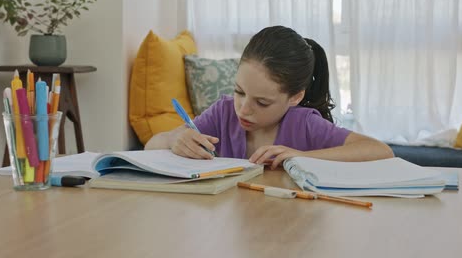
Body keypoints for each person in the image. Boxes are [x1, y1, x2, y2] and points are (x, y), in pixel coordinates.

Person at [145, 26, 393, 169]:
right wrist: (174, 138)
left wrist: (304, 157)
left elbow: (380, 150)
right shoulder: (224, 112)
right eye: (239, 91)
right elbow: (150, 146)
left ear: (295, 97)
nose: (243, 109)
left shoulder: (304, 123)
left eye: (262, 102)